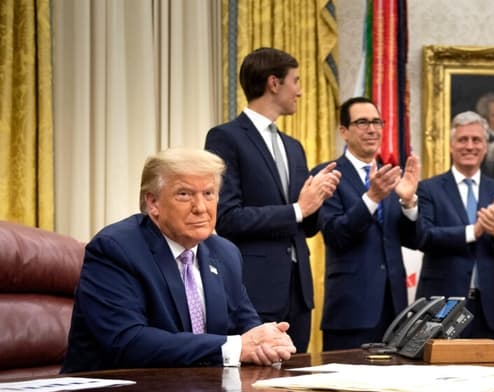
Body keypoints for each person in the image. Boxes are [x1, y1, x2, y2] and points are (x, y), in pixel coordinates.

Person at [62, 148, 296, 373]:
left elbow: (246, 325)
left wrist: (269, 342)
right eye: (184, 194)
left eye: (208, 194)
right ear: (153, 203)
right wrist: (234, 347)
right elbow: (127, 341)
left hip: (199, 390)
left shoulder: (225, 253)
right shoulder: (116, 249)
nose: (201, 208)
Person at [204, 47, 341, 352]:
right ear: (274, 83)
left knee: (300, 379)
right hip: (255, 290)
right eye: (296, 80)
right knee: (256, 380)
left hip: (298, 293)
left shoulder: (294, 147)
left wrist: (318, 198)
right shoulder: (225, 137)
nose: (300, 91)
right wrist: (298, 209)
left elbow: (306, 227)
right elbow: (227, 218)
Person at [313, 97, 420, 350]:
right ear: (344, 131)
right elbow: (335, 235)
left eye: (376, 122)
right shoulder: (327, 174)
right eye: (362, 122)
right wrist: (372, 198)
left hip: (394, 309)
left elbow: (414, 239)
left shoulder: (392, 175)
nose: (372, 129)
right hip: (350, 310)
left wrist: (409, 203)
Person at [415, 111, 494, 342]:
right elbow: (424, 236)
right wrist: (472, 232)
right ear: (451, 145)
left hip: (488, 309)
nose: (470, 146)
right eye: (463, 139)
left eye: (476, 140)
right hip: (442, 305)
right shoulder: (429, 189)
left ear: (485, 146)